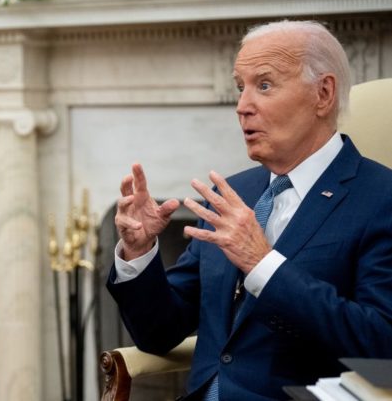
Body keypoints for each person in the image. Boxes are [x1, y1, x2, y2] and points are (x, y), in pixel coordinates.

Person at [107, 20, 392, 400]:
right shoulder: (234, 192)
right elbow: (159, 331)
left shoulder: (381, 197)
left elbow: (381, 345)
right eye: (240, 87)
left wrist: (263, 265)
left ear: (323, 94)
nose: (242, 106)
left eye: (264, 85)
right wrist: (138, 254)